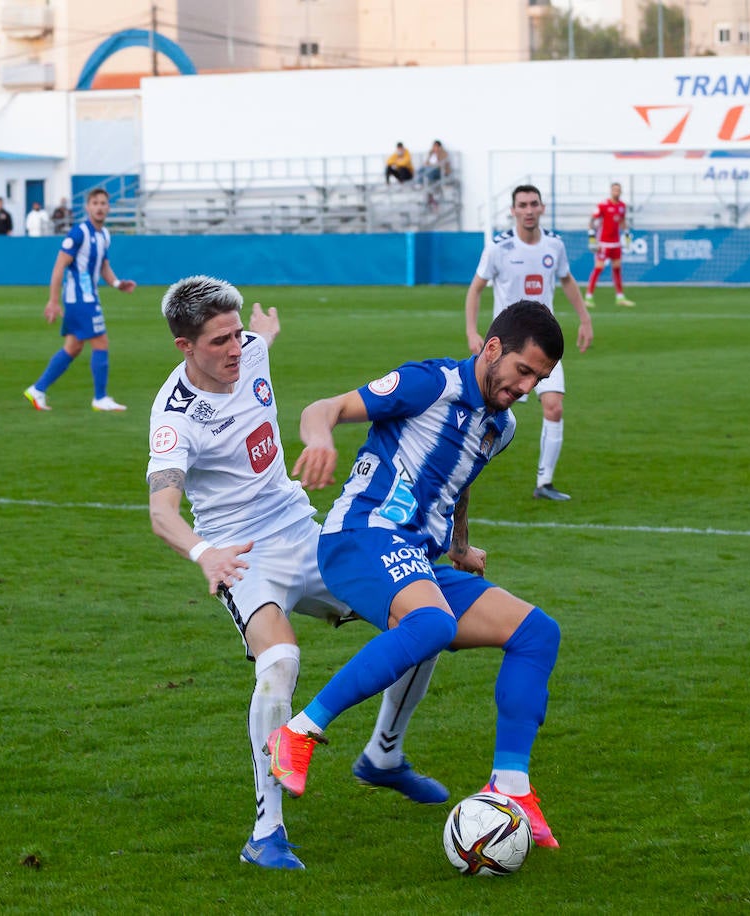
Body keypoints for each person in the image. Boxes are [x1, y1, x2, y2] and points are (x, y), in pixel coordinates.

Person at [149, 275, 447, 870]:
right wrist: (203, 552)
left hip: (303, 531)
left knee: (424, 616)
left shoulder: (250, 347)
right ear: (185, 347)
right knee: (280, 665)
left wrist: (262, 332)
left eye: (238, 335)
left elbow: (254, 339)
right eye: (218, 342)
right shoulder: (174, 417)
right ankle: (267, 831)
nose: (235, 350)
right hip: (242, 555)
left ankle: (384, 754)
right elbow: (162, 511)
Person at [266, 300, 568, 849]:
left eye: (539, 378)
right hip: (360, 536)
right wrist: (320, 438)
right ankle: (296, 733)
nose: (527, 385)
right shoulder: (429, 383)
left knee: (536, 632)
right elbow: (323, 407)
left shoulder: (501, 427)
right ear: (492, 348)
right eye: (523, 370)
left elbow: (458, 481)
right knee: (433, 624)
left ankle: (512, 787)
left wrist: (459, 545)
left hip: (416, 556)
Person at [464, 184, 594, 502]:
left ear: (542, 208)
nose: (529, 210)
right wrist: (471, 330)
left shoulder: (554, 245)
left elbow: (566, 279)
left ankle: (544, 484)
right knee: (486, 412)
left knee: (554, 406)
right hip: (508, 348)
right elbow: (475, 288)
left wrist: (585, 319)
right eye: (522, 204)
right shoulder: (499, 247)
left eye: (534, 204)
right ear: (513, 210)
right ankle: (460, 474)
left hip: (545, 345)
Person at [24, 187, 135, 412]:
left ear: (108, 207)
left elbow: (104, 265)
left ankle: (37, 390)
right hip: (79, 299)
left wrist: (116, 283)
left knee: (73, 347)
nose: (100, 207)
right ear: (87, 207)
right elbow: (59, 266)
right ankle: (100, 398)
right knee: (101, 342)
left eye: (103, 203)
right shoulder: (79, 233)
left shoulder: (104, 235)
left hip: (88, 296)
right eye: (95, 203)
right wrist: (53, 301)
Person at [587, 181, 635, 307]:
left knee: (617, 269)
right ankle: (588, 297)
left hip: (616, 243)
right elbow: (592, 220)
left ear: (621, 191)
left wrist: (626, 233)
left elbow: (623, 221)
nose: (616, 192)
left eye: (618, 190)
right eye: (614, 190)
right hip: (603, 243)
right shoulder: (603, 205)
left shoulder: (622, 206)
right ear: (611, 191)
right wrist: (592, 236)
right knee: (598, 269)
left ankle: (620, 297)